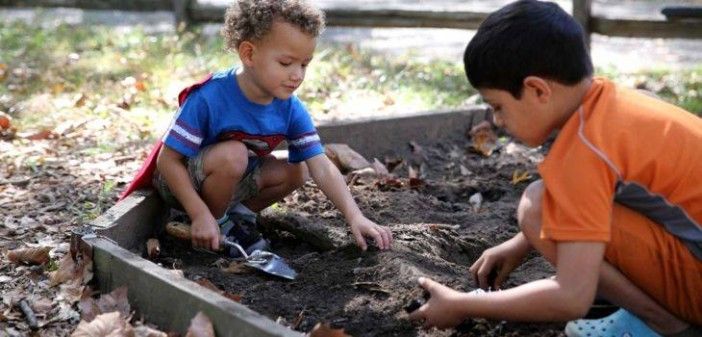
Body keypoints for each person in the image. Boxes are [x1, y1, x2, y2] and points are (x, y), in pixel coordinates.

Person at [408, 1, 701, 336]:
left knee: (540, 207)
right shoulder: (609, 105)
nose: (497, 122)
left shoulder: (584, 152)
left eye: (498, 106)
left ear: (537, 90)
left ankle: (662, 324)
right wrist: (521, 244)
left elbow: (571, 297)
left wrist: (462, 305)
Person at [120, 0, 392, 257]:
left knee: (300, 167)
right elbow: (167, 161)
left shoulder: (290, 108)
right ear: (249, 53)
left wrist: (355, 216)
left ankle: (237, 217)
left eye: (304, 64)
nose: (297, 74)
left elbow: (320, 165)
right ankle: (214, 223)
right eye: (286, 63)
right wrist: (200, 212)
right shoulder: (210, 97)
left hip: (232, 178)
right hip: (183, 184)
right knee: (234, 154)